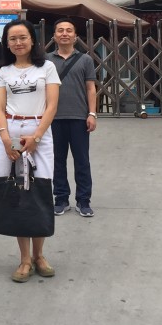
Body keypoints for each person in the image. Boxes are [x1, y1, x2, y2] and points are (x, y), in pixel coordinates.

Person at [0, 19, 60, 283]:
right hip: (10, 133)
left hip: (39, 132)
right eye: (13, 39)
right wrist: (5, 138)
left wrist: (37, 136)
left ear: (32, 40)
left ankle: (39, 255)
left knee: (39, 190)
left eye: (23, 37)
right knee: (17, 193)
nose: (18, 43)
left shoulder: (47, 67)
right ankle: (24, 259)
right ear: (7, 43)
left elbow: (52, 105)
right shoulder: (4, 71)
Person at [48, 18, 99, 218]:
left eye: (69, 30)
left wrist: (92, 113)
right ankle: (61, 199)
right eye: (60, 30)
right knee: (57, 160)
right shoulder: (46, 60)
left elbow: (90, 88)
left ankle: (83, 200)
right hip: (53, 118)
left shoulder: (85, 60)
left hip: (79, 117)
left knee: (82, 161)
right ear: (54, 36)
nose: (64, 33)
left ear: (75, 37)